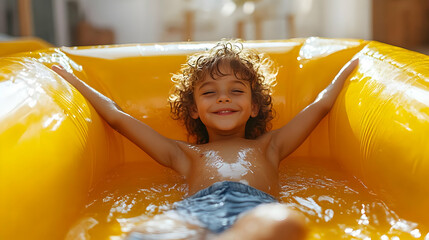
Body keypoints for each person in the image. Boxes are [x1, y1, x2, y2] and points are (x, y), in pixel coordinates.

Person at [52, 40, 359, 240]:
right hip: (197, 209)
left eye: (236, 91)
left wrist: (347, 71)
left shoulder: (269, 146)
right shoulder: (184, 154)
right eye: (209, 92)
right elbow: (117, 117)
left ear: (254, 107)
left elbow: (319, 107)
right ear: (195, 110)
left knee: (283, 223)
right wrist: (74, 80)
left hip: (255, 207)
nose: (223, 98)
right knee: (147, 233)